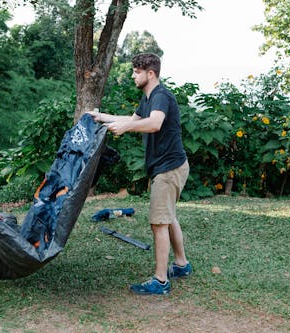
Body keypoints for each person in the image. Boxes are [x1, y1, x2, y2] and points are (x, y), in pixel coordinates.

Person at [88, 53, 192, 295]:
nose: (133, 75)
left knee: (159, 223)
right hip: (170, 166)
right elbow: (133, 119)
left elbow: (154, 123)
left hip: (168, 168)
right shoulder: (148, 98)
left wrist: (126, 128)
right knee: (169, 217)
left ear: (150, 73)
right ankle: (181, 265)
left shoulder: (160, 96)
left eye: (136, 71)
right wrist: (102, 117)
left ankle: (160, 280)